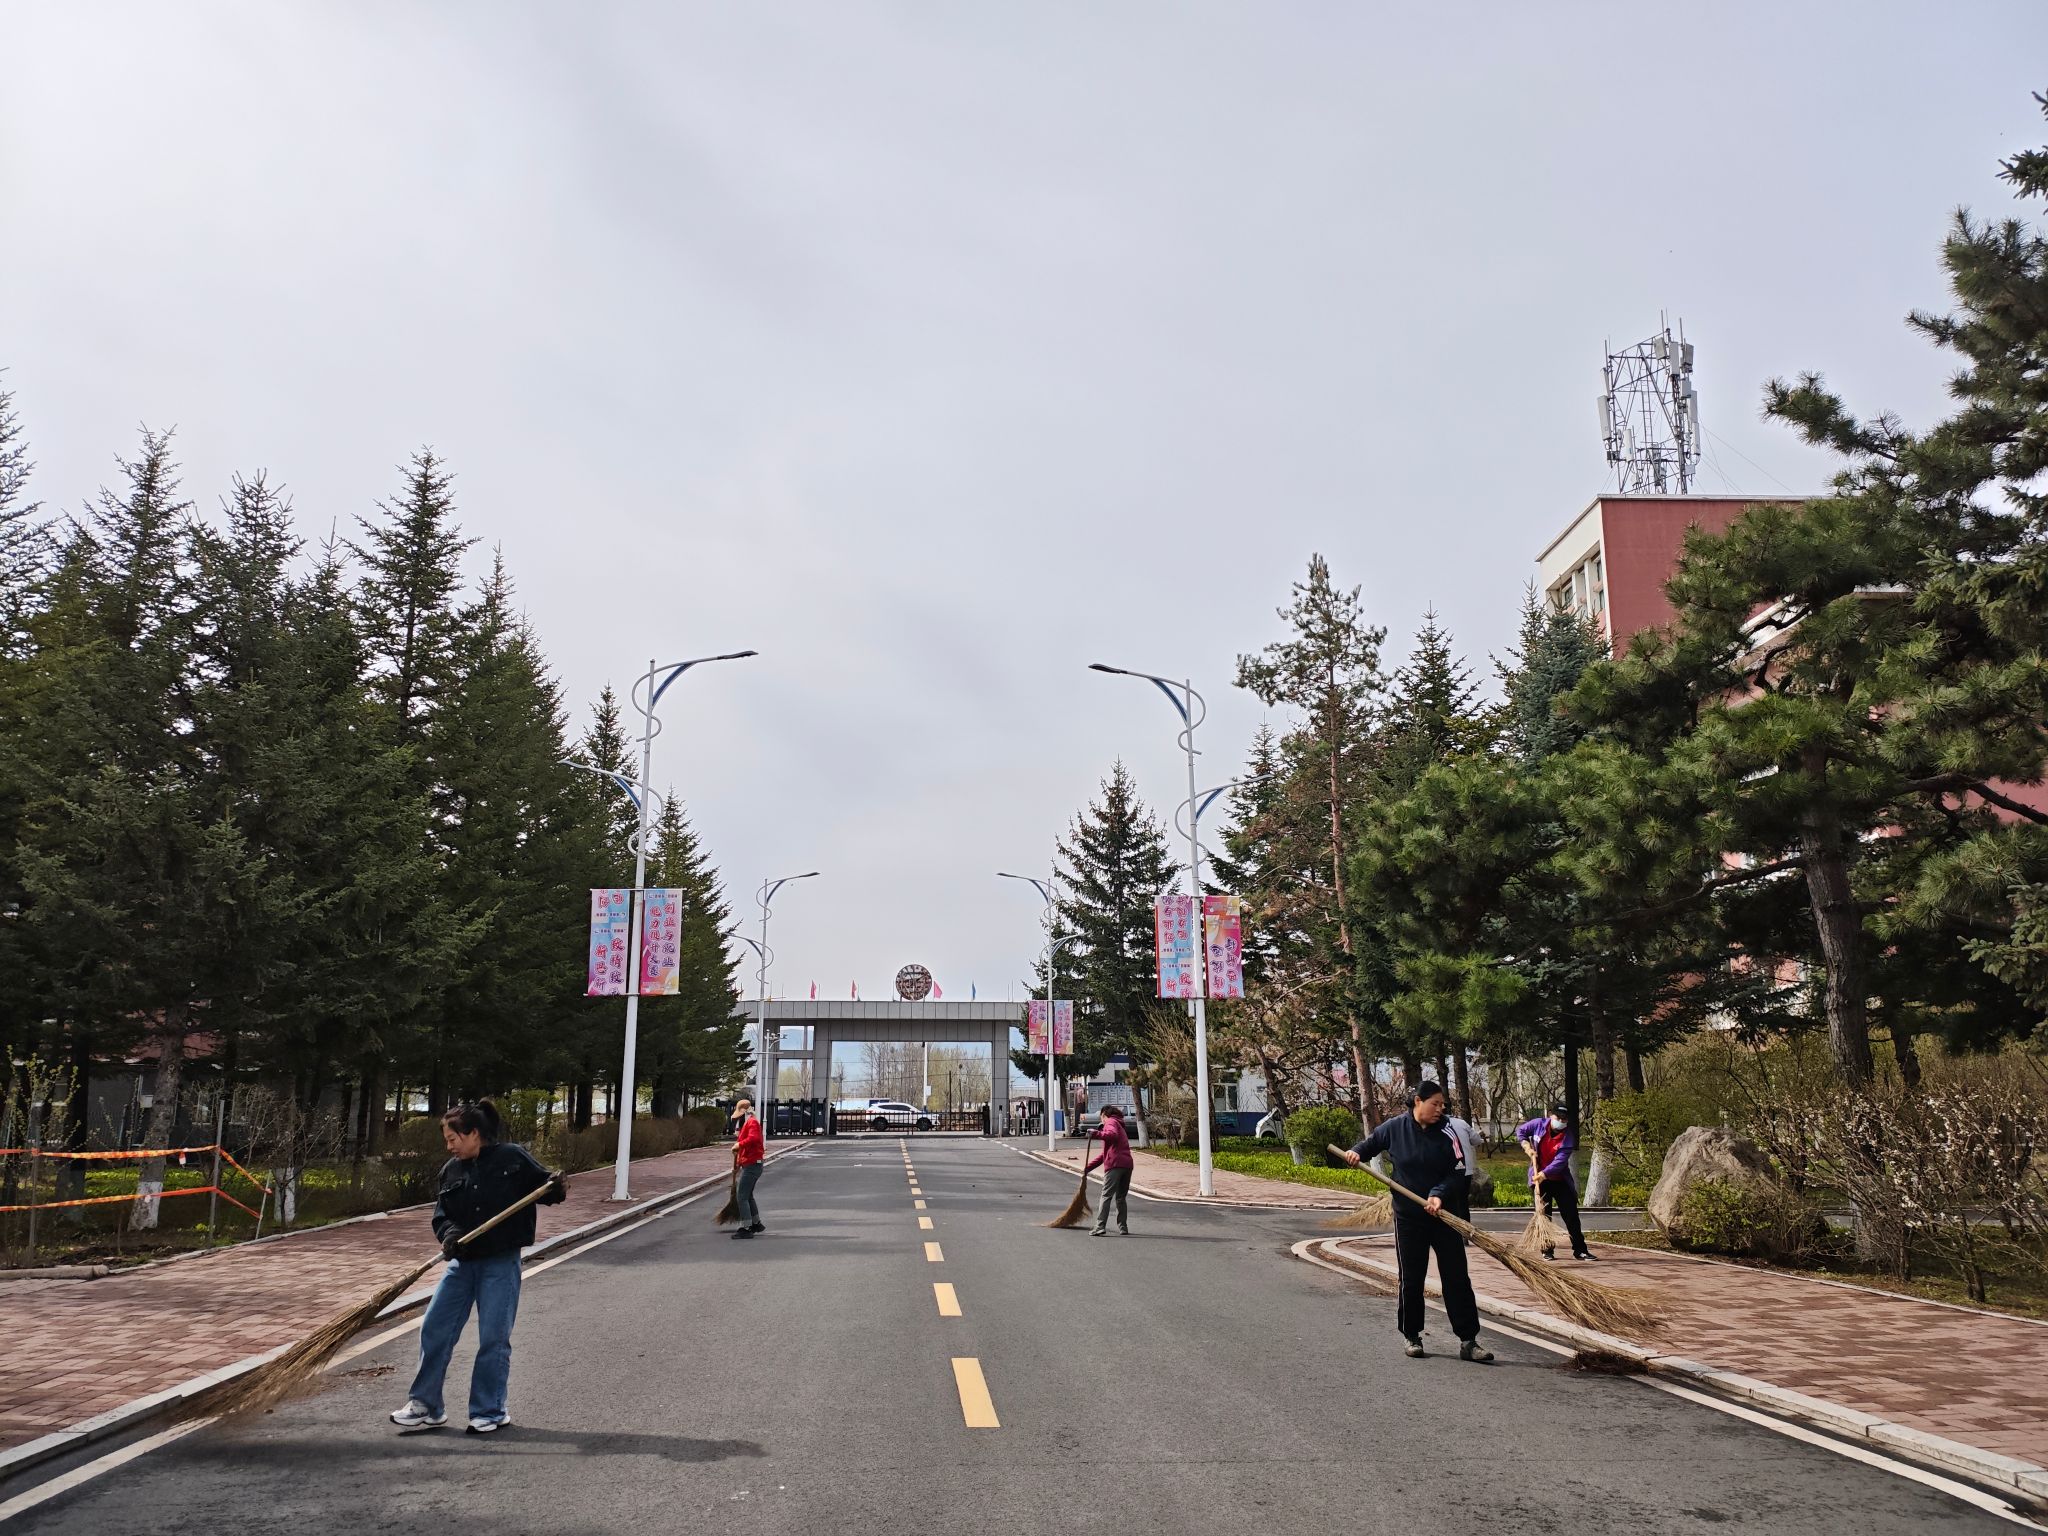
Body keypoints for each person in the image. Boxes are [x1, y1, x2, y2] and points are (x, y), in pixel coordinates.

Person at [391, 1100, 566, 1433]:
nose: (449, 1146)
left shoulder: (511, 1157)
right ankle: (426, 1405)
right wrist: (450, 1234)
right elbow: (442, 1216)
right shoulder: (451, 1171)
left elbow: (545, 1188)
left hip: (499, 1262)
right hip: (462, 1265)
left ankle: (490, 1409)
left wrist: (557, 1186)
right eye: (447, 1140)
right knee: (435, 1329)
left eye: (453, 1138)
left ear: (473, 1133)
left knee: (493, 1337)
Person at [1341, 1082, 1492, 1363]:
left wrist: (1438, 1195)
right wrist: (1356, 1152)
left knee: (1456, 1277)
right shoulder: (1394, 1128)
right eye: (1435, 1103)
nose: (1440, 1109)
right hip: (1409, 1217)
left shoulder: (1448, 1131)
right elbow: (1370, 1144)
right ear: (1418, 1102)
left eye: (1443, 1104)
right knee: (1411, 1278)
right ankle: (1412, 1335)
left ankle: (1468, 1340)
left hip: (1444, 1216)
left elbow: (1457, 1172)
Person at [1518, 1101, 1593, 1261]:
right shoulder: (1538, 1124)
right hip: (1539, 1180)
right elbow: (1521, 1131)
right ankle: (1547, 1250)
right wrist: (1526, 1146)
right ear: (1551, 1115)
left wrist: (1544, 1174)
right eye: (1558, 1117)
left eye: (1564, 1119)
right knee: (1544, 1215)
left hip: (1559, 1180)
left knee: (1571, 1215)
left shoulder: (1568, 1137)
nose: (1560, 1121)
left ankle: (1580, 1250)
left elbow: (1560, 1162)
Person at [1086, 1103, 1134, 1236]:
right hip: (1127, 1165)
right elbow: (1104, 1154)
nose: (1101, 1121)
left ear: (1104, 1115)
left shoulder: (1110, 1122)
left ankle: (1100, 1226)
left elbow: (1112, 1135)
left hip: (1115, 1165)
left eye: (1101, 1118)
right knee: (1120, 1198)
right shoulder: (1119, 1124)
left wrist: (1096, 1133)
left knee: (1106, 1195)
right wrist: (1088, 1168)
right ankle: (1123, 1227)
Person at [730, 1097, 767, 1239]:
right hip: (751, 1164)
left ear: (745, 1112)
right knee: (748, 1196)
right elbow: (747, 1147)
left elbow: (753, 1139)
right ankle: (756, 1223)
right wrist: (739, 1164)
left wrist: (739, 1144)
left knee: (742, 1197)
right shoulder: (750, 1122)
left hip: (753, 1164)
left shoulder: (752, 1122)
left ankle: (746, 1227)